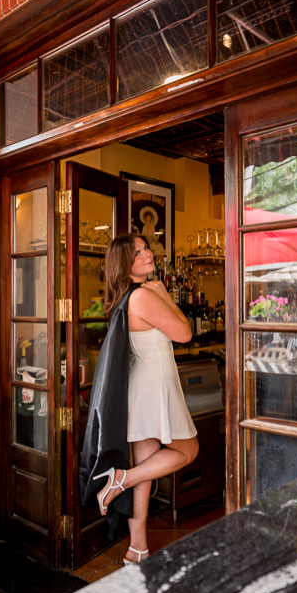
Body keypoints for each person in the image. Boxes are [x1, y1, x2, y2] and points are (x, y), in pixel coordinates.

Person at [83, 233, 199, 565]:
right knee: (188, 450)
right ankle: (123, 479)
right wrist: (165, 295)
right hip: (157, 385)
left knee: (146, 472)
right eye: (138, 252)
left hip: (142, 386)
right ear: (125, 265)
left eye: (146, 247)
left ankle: (137, 549)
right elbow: (185, 333)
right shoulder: (144, 296)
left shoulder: (126, 298)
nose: (147, 253)